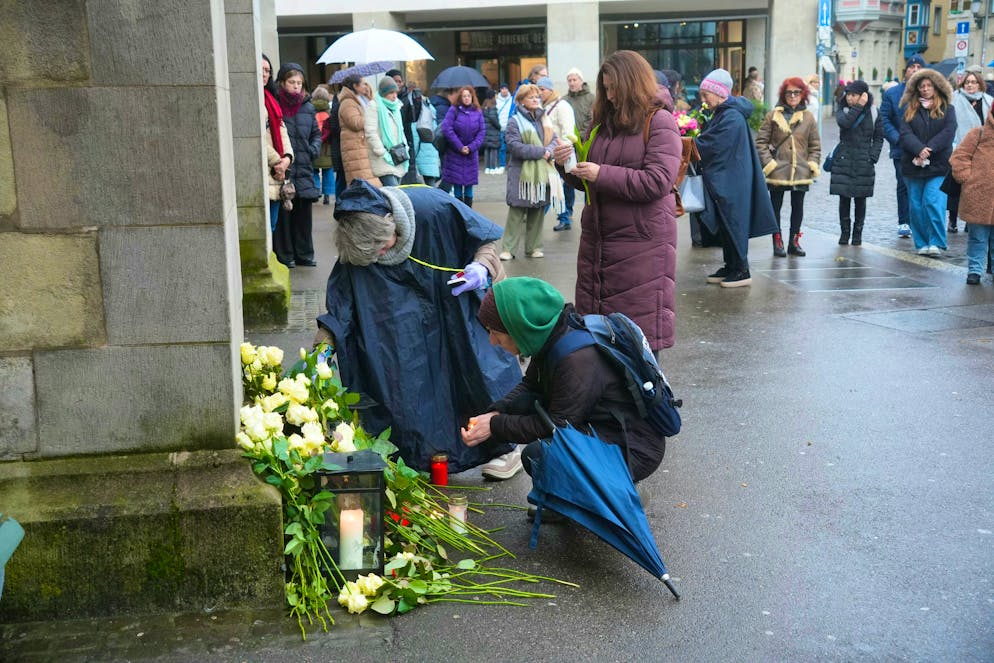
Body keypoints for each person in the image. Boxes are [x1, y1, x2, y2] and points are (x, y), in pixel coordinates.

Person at [314, 180, 522, 475]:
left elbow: (484, 241)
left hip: (457, 305)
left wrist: (480, 267)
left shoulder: (433, 208)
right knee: (410, 389)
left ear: (391, 224)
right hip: (403, 323)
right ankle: (419, 457)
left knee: (479, 372)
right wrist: (322, 348)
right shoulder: (360, 249)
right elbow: (340, 309)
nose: (379, 258)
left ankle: (504, 446)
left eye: (381, 249)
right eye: (372, 257)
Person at [461, 277, 666, 508]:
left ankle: (625, 497)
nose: (492, 341)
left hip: (634, 448)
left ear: (518, 325)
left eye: (495, 332)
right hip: (604, 428)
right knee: (536, 432)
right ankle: (574, 499)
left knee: (541, 456)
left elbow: (558, 427)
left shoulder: (577, 360)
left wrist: (495, 426)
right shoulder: (552, 334)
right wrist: (496, 412)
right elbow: (530, 386)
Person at [552, 50, 681, 352]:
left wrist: (602, 174)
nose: (609, 96)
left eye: (614, 89)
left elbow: (658, 181)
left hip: (642, 249)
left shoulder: (660, 121)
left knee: (637, 347)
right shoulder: (601, 125)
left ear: (632, 85)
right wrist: (566, 164)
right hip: (598, 246)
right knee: (599, 345)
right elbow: (586, 180)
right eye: (605, 88)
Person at [694, 68, 779, 287]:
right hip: (731, 177)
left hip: (734, 180)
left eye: (706, 95)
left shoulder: (730, 115)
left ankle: (741, 269)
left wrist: (690, 144)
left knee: (734, 222)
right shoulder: (726, 113)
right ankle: (731, 265)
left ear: (720, 93)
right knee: (727, 222)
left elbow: (713, 144)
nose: (704, 100)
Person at [755, 77, 822, 257]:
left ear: (803, 94)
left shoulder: (808, 117)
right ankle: (777, 241)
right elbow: (760, 142)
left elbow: (815, 145)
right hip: (778, 170)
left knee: (797, 206)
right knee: (775, 207)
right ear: (783, 94)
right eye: (789, 92)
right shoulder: (773, 116)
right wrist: (769, 163)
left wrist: (812, 163)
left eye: (796, 92)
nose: (792, 96)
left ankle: (794, 241)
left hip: (800, 170)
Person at [500, 83, 563, 261]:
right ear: (521, 101)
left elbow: (554, 140)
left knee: (537, 211)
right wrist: (541, 152)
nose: (536, 99)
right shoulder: (514, 121)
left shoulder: (545, 119)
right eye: (531, 97)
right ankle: (508, 249)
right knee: (517, 213)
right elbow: (514, 146)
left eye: (537, 96)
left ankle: (534, 247)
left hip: (541, 173)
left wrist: (549, 150)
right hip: (521, 174)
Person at [898, 67, 957, 256]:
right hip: (913, 164)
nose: (925, 89)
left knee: (932, 201)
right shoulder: (910, 110)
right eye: (921, 86)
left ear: (936, 88)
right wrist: (918, 149)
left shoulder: (947, 109)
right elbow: (905, 133)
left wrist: (929, 149)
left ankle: (937, 242)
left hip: (938, 165)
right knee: (915, 206)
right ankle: (922, 243)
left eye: (928, 85)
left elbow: (949, 132)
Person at [274, 62, 321, 268]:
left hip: (304, 166)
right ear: (282, 82)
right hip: (283, 167)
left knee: (303, 214)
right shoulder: (275, 104)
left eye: (299, 83)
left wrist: (312, 150)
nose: (296, 86)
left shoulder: (308, 106)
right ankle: (286, 255)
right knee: (285, 212)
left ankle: (304, 254)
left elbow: (316, 135)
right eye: (292, 82)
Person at [829, 80, 884, 245]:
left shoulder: (874, 112)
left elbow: (879, 137)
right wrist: (858, 106)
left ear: (863, 95)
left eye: (854, 95)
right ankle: (844, 233)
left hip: (864, 161)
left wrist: (872, 157)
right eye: (849, 94)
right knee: (844, 198)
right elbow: (845, 123)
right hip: (844, 159)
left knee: (861, 199)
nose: (850, 98)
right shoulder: (843, 109)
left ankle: (858, 234)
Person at [881, 54, 926, 239]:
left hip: (925, 147)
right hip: (901, 148)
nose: (915, 70)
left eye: (918, 67)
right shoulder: (892, 94)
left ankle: (921, 221)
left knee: (924, 184)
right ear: (905, 71)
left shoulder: (929, 92)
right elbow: (884, 119)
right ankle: (904, 220)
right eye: (911, 67)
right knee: (904, 184)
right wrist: (897, 138)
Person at [950, 104, 994, 284]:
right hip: (978, 195)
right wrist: (966, 178)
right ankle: (975, 270)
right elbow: (959, 156)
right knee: (977, 236)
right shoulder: (979, 133)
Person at [947, 68, 993, 233]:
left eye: (974, 82)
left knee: (975, 187)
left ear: (980, 84)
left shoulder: (988, 101)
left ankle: (970, 219)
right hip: (960, 147)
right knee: (957, 184)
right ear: (963, 83)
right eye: (968, 82)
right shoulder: (954, 99)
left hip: (982, 150)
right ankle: (952, 219)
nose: (970, 85)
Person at [536, 76, 577, 231]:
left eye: (542, 89)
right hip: (547, 154)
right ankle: (562, 217)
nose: (539, 93)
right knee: (554, 187)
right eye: (538, 89)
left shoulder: (562, 106)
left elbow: (568, 132)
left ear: (550, 90)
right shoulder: (542, 106)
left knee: (556, 187)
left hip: (559, 153)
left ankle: (562, 217)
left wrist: (558, 152)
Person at [261, 54, 293, 234]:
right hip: (267, 168)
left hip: (277, 170)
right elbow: (254, 137)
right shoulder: (252, 99)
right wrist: (277, 161)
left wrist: (287, 158)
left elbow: (282, 130)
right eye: (261, 70)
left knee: (271, 226)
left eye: (267, 71)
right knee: (265, 228)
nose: (265, 74)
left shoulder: (270, 98)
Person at [440, 85, 485, 206]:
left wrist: (471, 147)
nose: (466, 98)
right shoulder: (453, 110)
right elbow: (447, 128)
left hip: (471, 154)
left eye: (468, 96)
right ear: (460, 97)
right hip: (455, 154)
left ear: (472, 97)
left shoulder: (477, 112)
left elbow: (481, 132)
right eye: (464, 96)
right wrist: (459, 146)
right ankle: (459, 212)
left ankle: (469, 212)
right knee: (457, 185)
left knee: (469, 186)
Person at [365, 76, 411, 187]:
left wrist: (405, 148)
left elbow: (401, 130)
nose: (394, 96)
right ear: (383, 93)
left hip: (398, 155)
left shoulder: (396, 107)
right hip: (383, 157)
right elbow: (370, 132)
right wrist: (381, 151)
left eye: (395, 92)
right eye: (391, 93)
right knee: (394, 192)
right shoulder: (374, 106)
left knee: (394, 194)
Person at [337, 74, 381, 188]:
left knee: (371, 184)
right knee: (363, 184)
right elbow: (355, 123)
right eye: (363, 84)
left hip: (362, 147)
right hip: (356, 149)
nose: (366, 86)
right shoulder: (348, 102)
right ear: (355, 86)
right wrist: (371, 117)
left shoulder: (361, 99)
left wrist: (369, 96)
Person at [310, 85, 335, 205]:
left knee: (314, 170)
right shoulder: (329, 112)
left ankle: (316, 192)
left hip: (314, 145)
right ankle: (327, 195)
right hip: (327, 148)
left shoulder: (310, 110)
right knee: (328, 171)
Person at [482, 91, 502, 174]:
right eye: (495, 95)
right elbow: (493, 118)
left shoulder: (484, 106)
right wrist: (499, 126)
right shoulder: (493, 106)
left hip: (486, 131)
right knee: (494, 149)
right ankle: (493, 167)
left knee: (487, 149)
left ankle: (487, 167)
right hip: (493, 131)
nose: (497, 96)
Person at [496, 82, 513, 172]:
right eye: (502, 88)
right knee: (502, 147)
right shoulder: (496, 100)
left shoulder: (512, 100)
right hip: (500, 127)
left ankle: (511, 164)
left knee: (512, 148)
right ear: (500, 90)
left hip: (510, 128)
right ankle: (502, 165)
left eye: (505, 88)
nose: (504, 90)